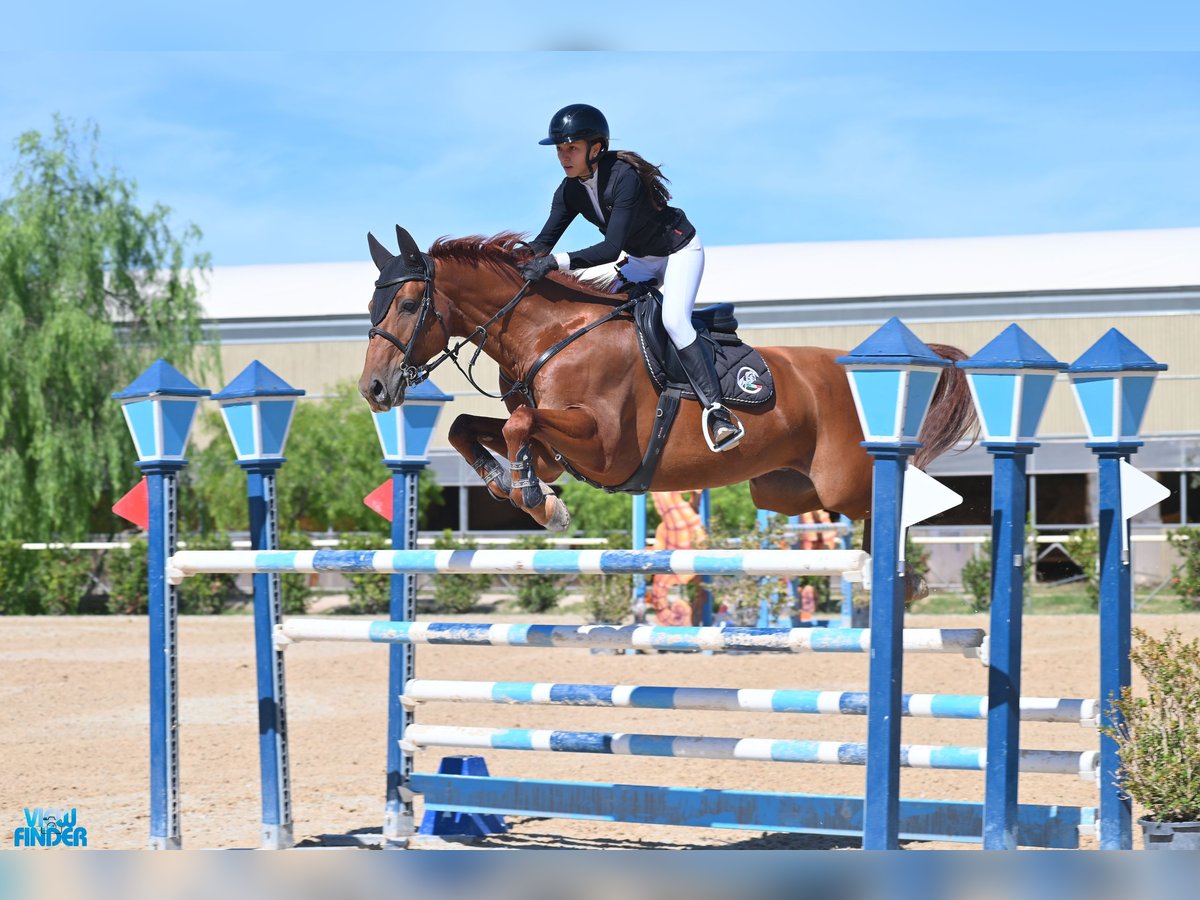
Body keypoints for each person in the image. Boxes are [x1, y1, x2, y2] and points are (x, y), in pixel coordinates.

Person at [518, 103, 744, 452]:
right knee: (601, 315)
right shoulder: (569, 190)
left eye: (572, 148)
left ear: (596, 149)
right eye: (561, 149)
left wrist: (554, 263)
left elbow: (610, 250)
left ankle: (717, 412)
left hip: (679, 252)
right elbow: (543, 243)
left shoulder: (623, 176)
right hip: (641, 260)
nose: (564, 156)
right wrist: (507, 261)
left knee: (674, 321)